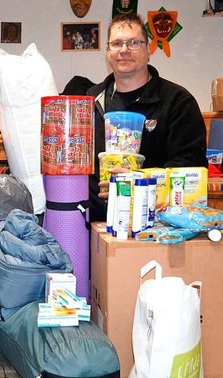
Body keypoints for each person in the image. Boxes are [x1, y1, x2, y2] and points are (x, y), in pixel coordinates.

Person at [85, 12, 208, 222]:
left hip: (153, 221)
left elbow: (190, 168)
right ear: (107, 51)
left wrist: (139, 181)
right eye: (116, 43)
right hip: (95, 220)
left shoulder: (178, 101)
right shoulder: (90, 100)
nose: (124, 50)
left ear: (148, 49)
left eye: (134, 42)